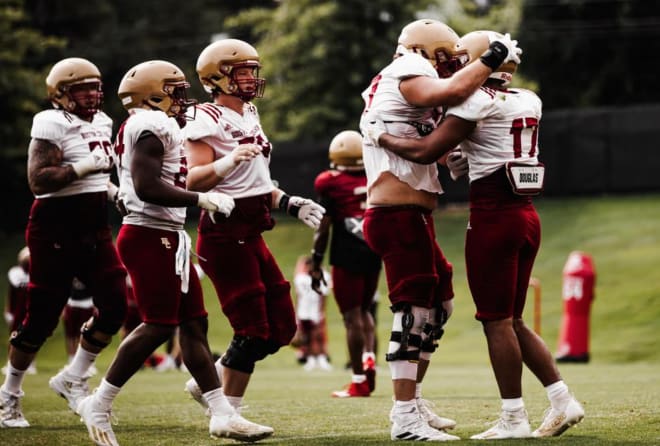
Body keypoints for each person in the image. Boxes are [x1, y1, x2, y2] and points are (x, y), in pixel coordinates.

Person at [373, 30, 584, 440]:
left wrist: (380, 134)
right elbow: (470, 154)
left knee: (496, 322)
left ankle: (513, 417)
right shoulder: (528, 99)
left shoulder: (476, 100)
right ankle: (562, 400)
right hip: (527, 216)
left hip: (493, 217)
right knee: (515, 320)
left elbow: (425, 150)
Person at [75, 59, 273, 446]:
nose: (182, 99)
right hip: (149, 233)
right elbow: (147, 186)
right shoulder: (151, 124)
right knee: (159, 324)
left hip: (166, 232)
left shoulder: (156, 124)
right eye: (174, 91)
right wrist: (204, 198)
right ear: (152, 93)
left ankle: (221, 413)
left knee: (195, 325)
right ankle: (98, 403)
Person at [358, 19, 521, 441]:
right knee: (414, 312)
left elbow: (428, 131)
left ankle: (412, 399)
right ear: (425, 52)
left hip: (412, 214)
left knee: (441, 305)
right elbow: (449, 93)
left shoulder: (411, 85)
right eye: (446, 59)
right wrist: (490, 60)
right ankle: (403, 416)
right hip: (395, 214)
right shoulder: (406, 69)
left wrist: (449, 159)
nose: (451, 68)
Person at [182, 38, 325, 438]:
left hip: (253, 227)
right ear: (217, 77)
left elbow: (256, 182)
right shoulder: (204, 115)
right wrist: (225, 161)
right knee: (253, 329)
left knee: (282, 328)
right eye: (241, 71)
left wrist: (291, 203)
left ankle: (208, 381)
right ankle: (227, 415)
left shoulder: (249, 112)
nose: (250, 78)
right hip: (224, 233)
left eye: (251, 70)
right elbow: (193, 179)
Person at [0, 58, 128, 429]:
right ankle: (9, 394)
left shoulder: (103, 121)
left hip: (94, 225)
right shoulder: (50, 121)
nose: (92, 94)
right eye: (81, 88)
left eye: (95, 86)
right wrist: (86, 167)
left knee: (116, 304)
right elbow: (39, 180)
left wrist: (111, 189)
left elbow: (94, 174)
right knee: (40, 316)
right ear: (61, 94)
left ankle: (73, 376)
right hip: (55, 227)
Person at [309, 130, 382, 397]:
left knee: (351, 318)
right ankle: (370, 355)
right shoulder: (373, 175)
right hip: (373, 251)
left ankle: (359, 379)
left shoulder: (330, 183)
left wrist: (316, 261)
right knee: (365, 312)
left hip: (346, 254)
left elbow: (323, 228)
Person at [292, 255, 332, 372]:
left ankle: (321, 358)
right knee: (306, 337)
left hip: (315, 310)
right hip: (304, 311)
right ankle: (310, 358)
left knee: (318, 335)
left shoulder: (323, 277)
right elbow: (298, 296)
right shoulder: (301, 279)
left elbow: (324, 297)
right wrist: (296, 312)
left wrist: (321, 311)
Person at [2, 247, 36, 376]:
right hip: (17, 312)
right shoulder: (15, 274)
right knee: (14, 337)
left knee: (32, 338)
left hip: (32, 312)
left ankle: (30, 364)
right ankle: (10, 362)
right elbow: (11, 295)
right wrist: (8, 311)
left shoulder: (38, 275)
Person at [62, 277, 97, 377]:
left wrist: (96, 305)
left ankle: (88, 363)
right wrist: (64, 307)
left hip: (87, 304)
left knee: (86, 335)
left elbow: (96, 288)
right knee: (70, 335)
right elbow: (65, 289)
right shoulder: (69, 270)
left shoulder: (89, 270)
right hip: (72, 304)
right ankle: (71, 361)